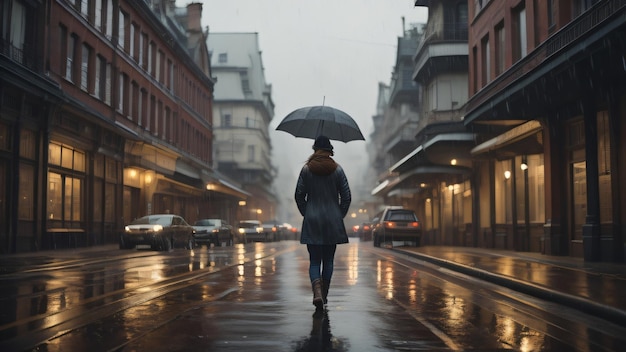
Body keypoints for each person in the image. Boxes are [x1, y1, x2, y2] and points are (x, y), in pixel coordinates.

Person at [295, 135, 351, 312]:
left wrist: (307, 212)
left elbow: (298, 195)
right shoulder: (338, 170)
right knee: (328, 260)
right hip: (332, 222)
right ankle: (324, 295)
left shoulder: (306, 170)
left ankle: (317, 293)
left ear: (315, 150)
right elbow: (347, 197)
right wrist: (338, 214)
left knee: (314, 261)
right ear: (330, 151)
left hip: (312, 220)